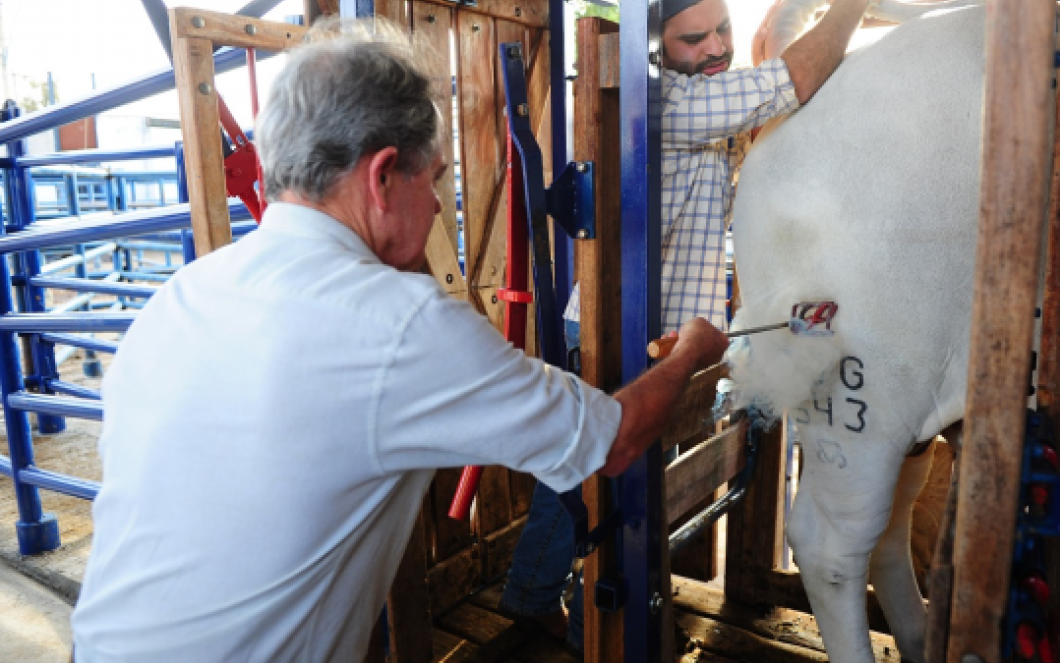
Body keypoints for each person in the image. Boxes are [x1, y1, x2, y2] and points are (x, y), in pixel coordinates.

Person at [68, 18, 727, 662]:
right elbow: (612, 442)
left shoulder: (178, 297)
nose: (439, 205)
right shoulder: (398, 323)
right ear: (383, 176)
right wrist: (697, 345)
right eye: (434, 178)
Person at [499, 0, 875, 649]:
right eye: (693, 38)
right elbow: (794, 77)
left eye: (721, 30)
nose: (714, 48)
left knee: (616, 481)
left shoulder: (707, 99)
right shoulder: (670, 102)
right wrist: (852, 7)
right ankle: (566, 619)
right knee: (593, 486)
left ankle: (566, 600)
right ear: (657, 47)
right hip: (611, 330)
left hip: (665, 337)